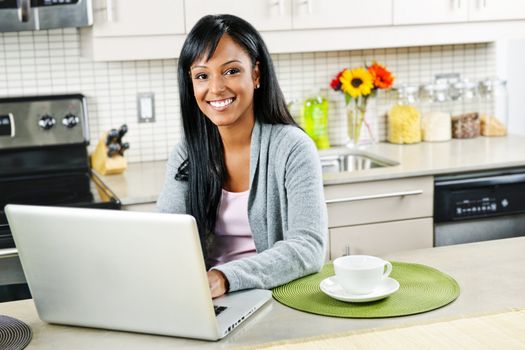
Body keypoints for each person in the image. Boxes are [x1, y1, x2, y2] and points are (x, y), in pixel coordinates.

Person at [156, 14, 327, 298]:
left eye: (231, 71)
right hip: (207, 298)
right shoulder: (187, 152)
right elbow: (164, 234)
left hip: (276, 296)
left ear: (256, 74)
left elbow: (308, 247)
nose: (216, 88)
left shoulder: (293, 148)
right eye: (202, 75)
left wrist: (225, 276)